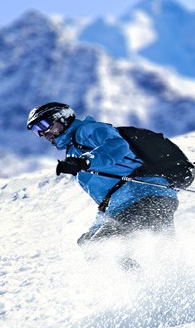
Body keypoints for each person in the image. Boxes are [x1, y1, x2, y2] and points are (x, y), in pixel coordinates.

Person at [25, 102, 179, 259]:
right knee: (155, 251)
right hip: (130, 205)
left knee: (106, 247)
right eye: (36, 131)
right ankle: (172, 279)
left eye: (43, 125)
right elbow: (107, 200)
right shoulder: (73, 151)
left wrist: (85, 162)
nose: (43, 133)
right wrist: (94, 229)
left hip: (146, 196)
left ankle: (150, 280)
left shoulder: (87, 131)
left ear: (62, 118)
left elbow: (117, 146)